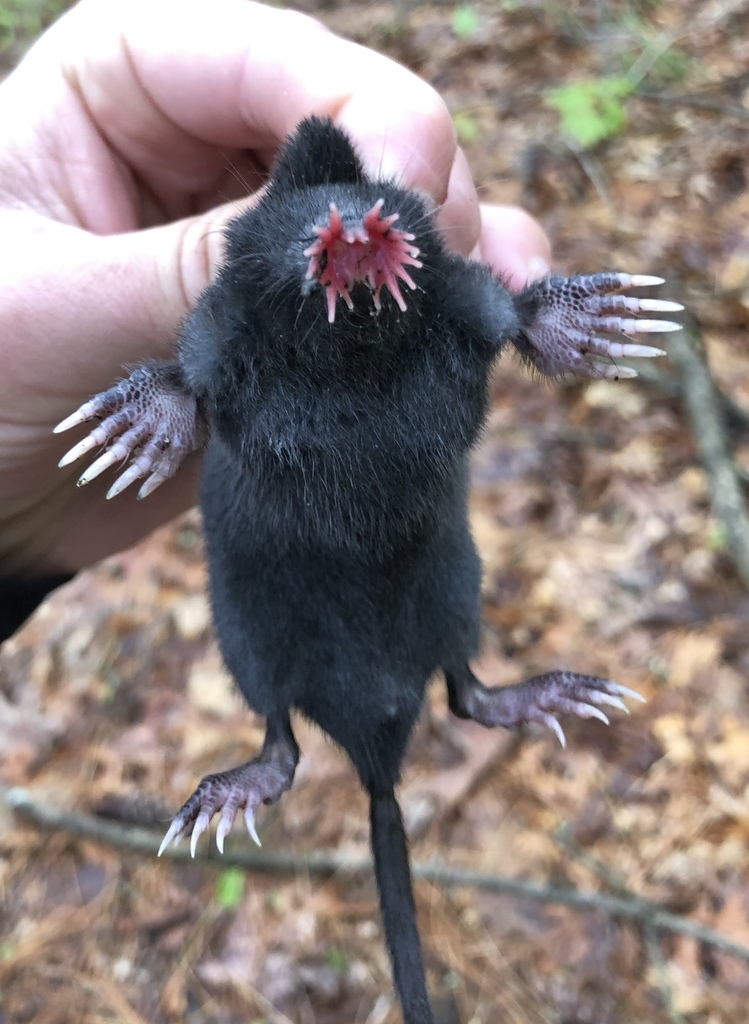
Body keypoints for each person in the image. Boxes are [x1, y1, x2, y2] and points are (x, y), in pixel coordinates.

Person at [0, 0, 550, 638]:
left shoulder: (441, 301)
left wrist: (543, 316)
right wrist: (170, 396)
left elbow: (503, 313)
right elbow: (199, 371)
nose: (352, 241)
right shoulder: (235, 314)